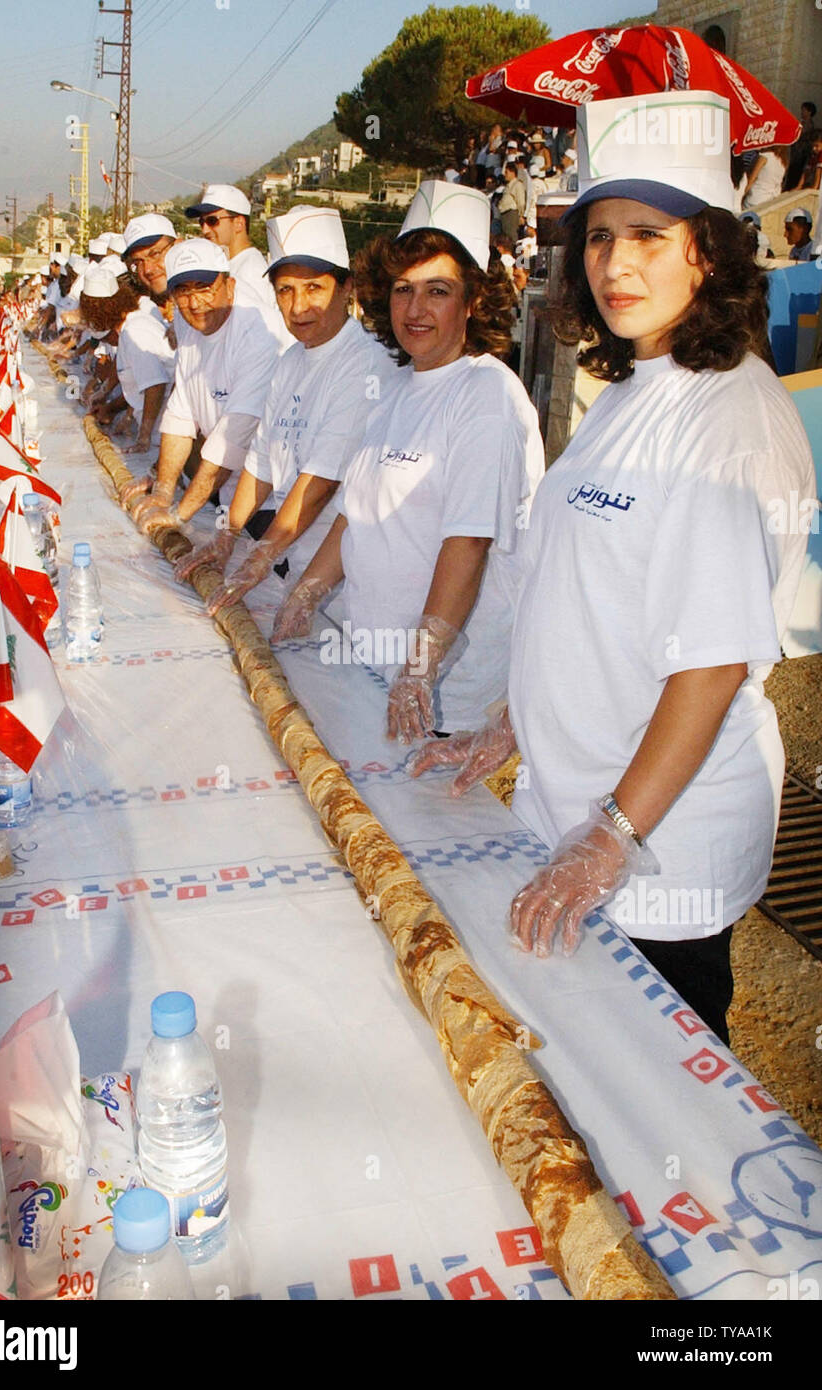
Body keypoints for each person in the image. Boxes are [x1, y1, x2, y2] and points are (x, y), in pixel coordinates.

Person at [410, 92, 816, 1045]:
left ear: (708, 249)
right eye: (598, 236)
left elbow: (711, 663)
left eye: (648, 233)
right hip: (581, 807)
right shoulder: (638, 383)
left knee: (656, 1103)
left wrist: (612, 838)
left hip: (660, 846)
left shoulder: (728, 419)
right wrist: (510, 725)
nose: (616, 263)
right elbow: (586, 602)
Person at [271, 181, 544, 740]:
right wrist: (304, 596)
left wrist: (420, 671)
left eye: (437, 291)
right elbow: (353, 514)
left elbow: (467, 543)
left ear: (472, 300)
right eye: (402, 290)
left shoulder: (486, 395)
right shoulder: (394, 388)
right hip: (373, 665)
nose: (415, 310)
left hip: (442, 694)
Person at [173, 205, 393, 612]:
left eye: (314, 288)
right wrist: (227, 534)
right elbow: (260, 462)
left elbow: (320, 483)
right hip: (291, 561)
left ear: (347, 289)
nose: (298, 307)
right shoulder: (291, 360)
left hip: (342, 582)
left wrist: (257, 559)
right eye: (285, 290)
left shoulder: (365, 363)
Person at [129, 238, 281, 534]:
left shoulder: (258, 334)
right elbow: (180, 414)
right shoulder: (191, 324)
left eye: (205, 288)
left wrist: (179, 514)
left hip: (268, 502)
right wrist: (163, 491)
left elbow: (233, 436)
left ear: (230, 285)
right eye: (183, 292)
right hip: (223, 489)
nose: (195, 303)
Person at [79, 263, 176, 454]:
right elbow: (140, 385)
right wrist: (111, 408)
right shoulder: (128, 329)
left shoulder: (136, 330)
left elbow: (155, 386)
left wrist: (144, 437)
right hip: (158, 432)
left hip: (163, 434)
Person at [186, 183, 278, 314]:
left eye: (212, 221)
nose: (205, 230)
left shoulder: (251, 271)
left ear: (239, 223)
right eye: (202, 222)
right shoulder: (232, 264)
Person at [497, 161, 535, 244]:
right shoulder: (508, 185)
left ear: (512, 172)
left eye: (506, 172)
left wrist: (521, 215)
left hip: (512, 214)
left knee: (512, 238)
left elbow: (521, 202)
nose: (505, 174)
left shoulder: (517, 184)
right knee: (506, 238)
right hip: (505, 214)